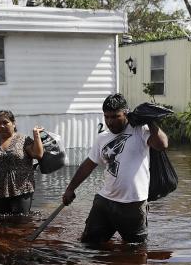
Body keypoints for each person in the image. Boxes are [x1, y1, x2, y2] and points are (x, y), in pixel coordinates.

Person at [62, 93, 169, 244]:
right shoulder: (102, 138)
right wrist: (70, 189)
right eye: (107, 117)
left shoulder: (139, 130)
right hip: (105, 202)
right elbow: (88, 164)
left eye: (115, 116)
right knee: (89, 244)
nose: (110, 122)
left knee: (135, 251)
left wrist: (150, 121)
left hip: (133, 204)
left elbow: (162, 145)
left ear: (125, 113)